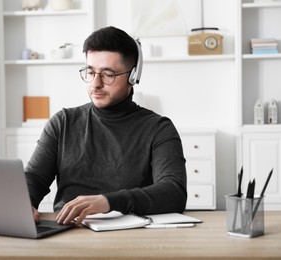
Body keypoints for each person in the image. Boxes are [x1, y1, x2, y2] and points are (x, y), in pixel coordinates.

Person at [25, 26, 187, 225]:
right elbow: (34, 178)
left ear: (133, 76)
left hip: (133, 237)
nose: (95, 83)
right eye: (90, 72)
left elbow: (174, 191)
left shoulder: (158, 128)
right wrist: (24, 202)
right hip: (69, 233)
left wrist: (109, 201)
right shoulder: (63, 122)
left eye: (108, 74)